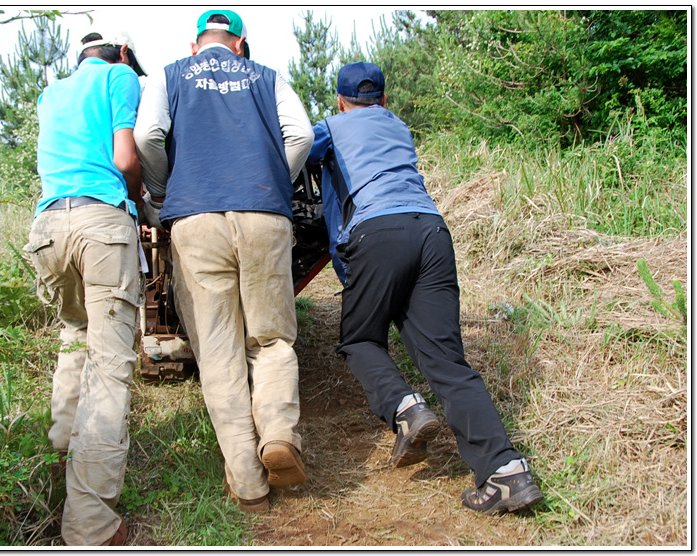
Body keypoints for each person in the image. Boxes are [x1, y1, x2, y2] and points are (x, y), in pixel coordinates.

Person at [305, 62, 544, 515]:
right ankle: (507, 471)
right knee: (448, 362)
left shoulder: (331, 127)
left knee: (359, 338)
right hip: (432, 231)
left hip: (379, 233)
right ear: (385, 100)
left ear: (340, 101)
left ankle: (407, 407)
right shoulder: (398, 126)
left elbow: (294, 149)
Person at [133, 9, 314, 512]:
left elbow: (148, 135)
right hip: (263, 211)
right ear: (240, 44)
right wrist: (276, 181)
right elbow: (300, 134)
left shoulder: (170, 74)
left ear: (196, 45)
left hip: (195, 219)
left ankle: (249, 481)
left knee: (218, 351)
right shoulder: (267, 75)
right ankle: (278, 433)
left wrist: (167, 191)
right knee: (271, 336)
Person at [24, 31, 147, 545]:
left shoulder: (51, 91)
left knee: (74, 339)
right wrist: (140, 194)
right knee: (109, 367)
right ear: (121, 55)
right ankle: (91, 522)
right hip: (101, 224)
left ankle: (56, 468)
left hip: (48, 230)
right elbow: (124, 159)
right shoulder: (119, 77)